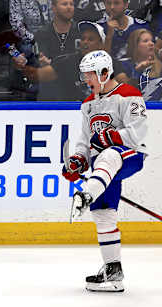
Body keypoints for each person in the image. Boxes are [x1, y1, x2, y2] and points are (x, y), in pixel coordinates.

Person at [62, 50, 147, 292]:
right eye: (84, 75)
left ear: (104, 72)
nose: (86, 80)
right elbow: (84, 140)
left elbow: (137, 132)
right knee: (103, 211)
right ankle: (113, 272)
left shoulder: (128, 95)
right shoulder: (88, 104)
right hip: (103, 168)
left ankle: (86, 194)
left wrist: (111, 137)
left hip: (129, 155)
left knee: (110, 153)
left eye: (90, 74)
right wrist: (78, 160)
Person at [14, 20, 129, 100]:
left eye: (90, 39)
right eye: (83, 38)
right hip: (70, 114)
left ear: (100, 44)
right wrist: (22, 67)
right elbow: (37, 76)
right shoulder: (67, 62)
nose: (85, 42)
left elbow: (127, 89)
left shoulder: (113, 64)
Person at [121, 28, 162, 100]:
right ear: (135, 45)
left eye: (152, 41)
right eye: (145, 41)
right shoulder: (123, 65)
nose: (151, 43)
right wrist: (137, 72)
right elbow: (125, 92)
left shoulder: (160, 66)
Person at [34, 0, 80, 65]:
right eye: (64, 4)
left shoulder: (80, 30)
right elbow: (43, 59)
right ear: (54, 8)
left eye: (71, 4)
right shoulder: (42, 33)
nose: (69, 7)